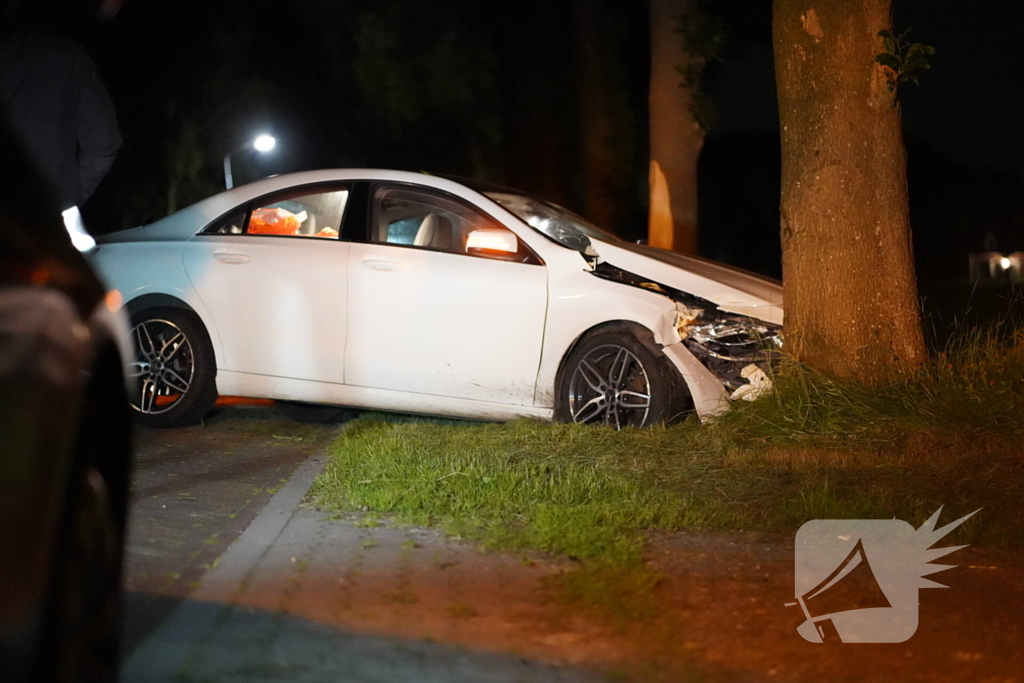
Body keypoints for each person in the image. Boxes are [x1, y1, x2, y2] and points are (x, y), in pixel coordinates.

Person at [0, 29, 121, 211]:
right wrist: (67, 201)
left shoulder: (70, 57)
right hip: (50, 220)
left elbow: (105, 144)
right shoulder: (69, 55)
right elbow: (104, 143)